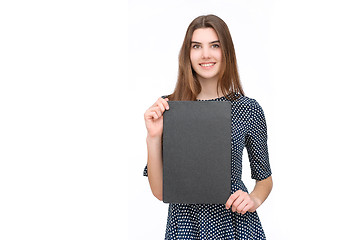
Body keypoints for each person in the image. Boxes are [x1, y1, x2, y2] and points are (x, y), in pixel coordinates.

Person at [143, 14, 273, 239]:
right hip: (185, 225)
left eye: (215, 45)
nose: (206, 54)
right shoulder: (169, 107)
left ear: (227, 52)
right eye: (197, 46)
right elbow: (160, 192)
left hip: (234, 223)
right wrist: (153, 137)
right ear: (188, 54)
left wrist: (254, 199)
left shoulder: (248, 108)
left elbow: (264, 178)